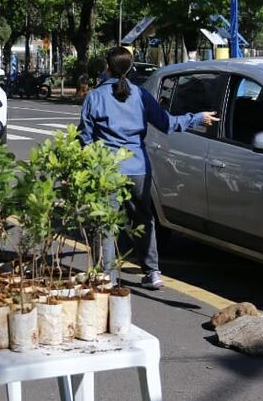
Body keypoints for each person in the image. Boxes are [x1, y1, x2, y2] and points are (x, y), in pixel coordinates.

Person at [78, 46, 219, 290]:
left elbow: (85, 138)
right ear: (130, 68)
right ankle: (152, 272)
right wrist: (197, 118)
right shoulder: (140, 95)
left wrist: (86, 168)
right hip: (138, 168)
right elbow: (166, 123)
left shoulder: (95, 97)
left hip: (106, 169)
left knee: (105, 223)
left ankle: (106, 278)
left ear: (107, 67)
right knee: (143, 220)